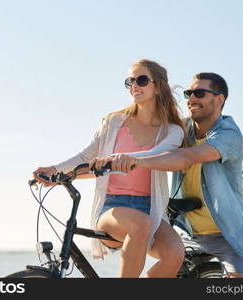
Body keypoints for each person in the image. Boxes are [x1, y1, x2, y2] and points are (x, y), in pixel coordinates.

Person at [93, 72, 243, 278]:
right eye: (189, 93)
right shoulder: (181, 129)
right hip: (185, 232)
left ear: (219, 99)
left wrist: (136, 161)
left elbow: (188, 156)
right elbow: (150, 143)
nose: (191, 99)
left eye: (199, 93)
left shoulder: (228, 135)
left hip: (228, 236)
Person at [33, 59, 187, 277]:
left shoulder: (171, 131)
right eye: (130, 81)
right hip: (113, 208)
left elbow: (158, 156)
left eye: (141, 80)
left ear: (158, 86)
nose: (134, 85)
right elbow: (86, 156)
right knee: (140, 224)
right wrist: (54, 169)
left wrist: (122, 158)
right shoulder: (114, 123)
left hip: (151, 208)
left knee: (175, 253)